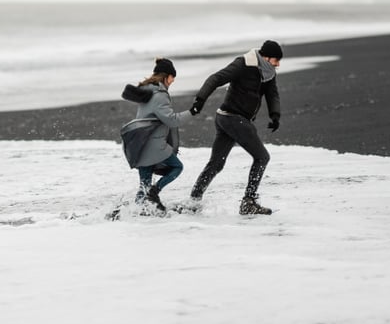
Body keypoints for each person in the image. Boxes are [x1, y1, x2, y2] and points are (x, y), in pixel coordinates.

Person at [188, 40, 283, 215]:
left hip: (229, 119)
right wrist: (200, 100)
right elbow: (216, 78)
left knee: (216, 164)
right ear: (266, 57)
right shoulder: (243, 64)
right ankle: (249, 201)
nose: (278, 64)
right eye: (276, 60)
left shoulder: (268, 72)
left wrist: (275, 115)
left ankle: (193, 201)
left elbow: (272, 93)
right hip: (233, 118)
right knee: (262, 157)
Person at [119, 57, 194, 213]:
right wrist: (192, 112)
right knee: (177, 167)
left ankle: (132, 214)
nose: (173, 81)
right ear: (166, 76)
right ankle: (155, 192)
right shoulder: (159, 95)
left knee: (144, 185)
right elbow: (172, 120)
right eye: (172, 77)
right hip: (153, 145)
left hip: (141, 145)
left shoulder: (146, 92)